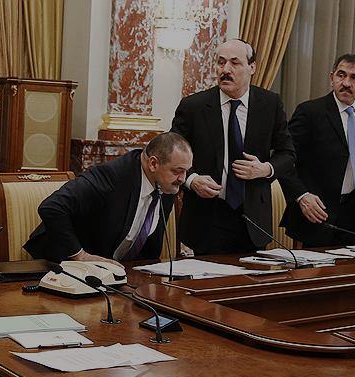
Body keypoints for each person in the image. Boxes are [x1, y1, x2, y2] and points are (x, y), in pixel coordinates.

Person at [169, 39, 295, 255]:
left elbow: (288, 153)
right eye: (221, 62)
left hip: (253, 218)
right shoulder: (193, 107)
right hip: (206, 217)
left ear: (252, 67)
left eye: (234, 63)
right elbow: (172, 155)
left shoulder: (270, 104)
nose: (225, 69)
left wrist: (265, 169)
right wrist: (192, 180)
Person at [25, 132, 193, 264]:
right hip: (61, 264)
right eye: (177, 171)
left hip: (115, 272)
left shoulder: (166, 184)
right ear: (153, 164)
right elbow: (52, 207)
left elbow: (148, 245)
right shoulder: (111, 177)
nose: (182, 178)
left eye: (186, 171)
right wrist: (80, 255)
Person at [279, 53, 355, 247]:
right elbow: (284, 159)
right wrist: (301, 196)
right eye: (341, 75)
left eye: (354, 78)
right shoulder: (310, 112)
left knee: (353, 265)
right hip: (316, 212)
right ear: (331, 78)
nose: (346, 83)